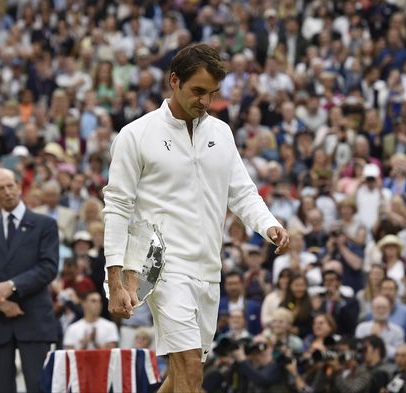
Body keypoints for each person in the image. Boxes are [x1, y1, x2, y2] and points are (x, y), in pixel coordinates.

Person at [103, 44, 289, 393]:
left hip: (208, 268)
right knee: (189, 367)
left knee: (180, 375)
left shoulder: (221, 133)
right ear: (174, 81)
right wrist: (114, 279)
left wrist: (268, 224)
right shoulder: (135, 135)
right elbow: (116, 207)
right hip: (160, 266)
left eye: (212, 93)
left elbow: (242, 191)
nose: (206, 101)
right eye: (198, 91)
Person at [0, 168, 59, 393]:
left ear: (19, 187)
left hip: (34, 320)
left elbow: (48, 268)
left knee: (39, 387)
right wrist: (0, 303)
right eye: (0, 188)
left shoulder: (44, 224)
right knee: (1, 388)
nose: (7, 191)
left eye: (10, 185)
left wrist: (11, 286)